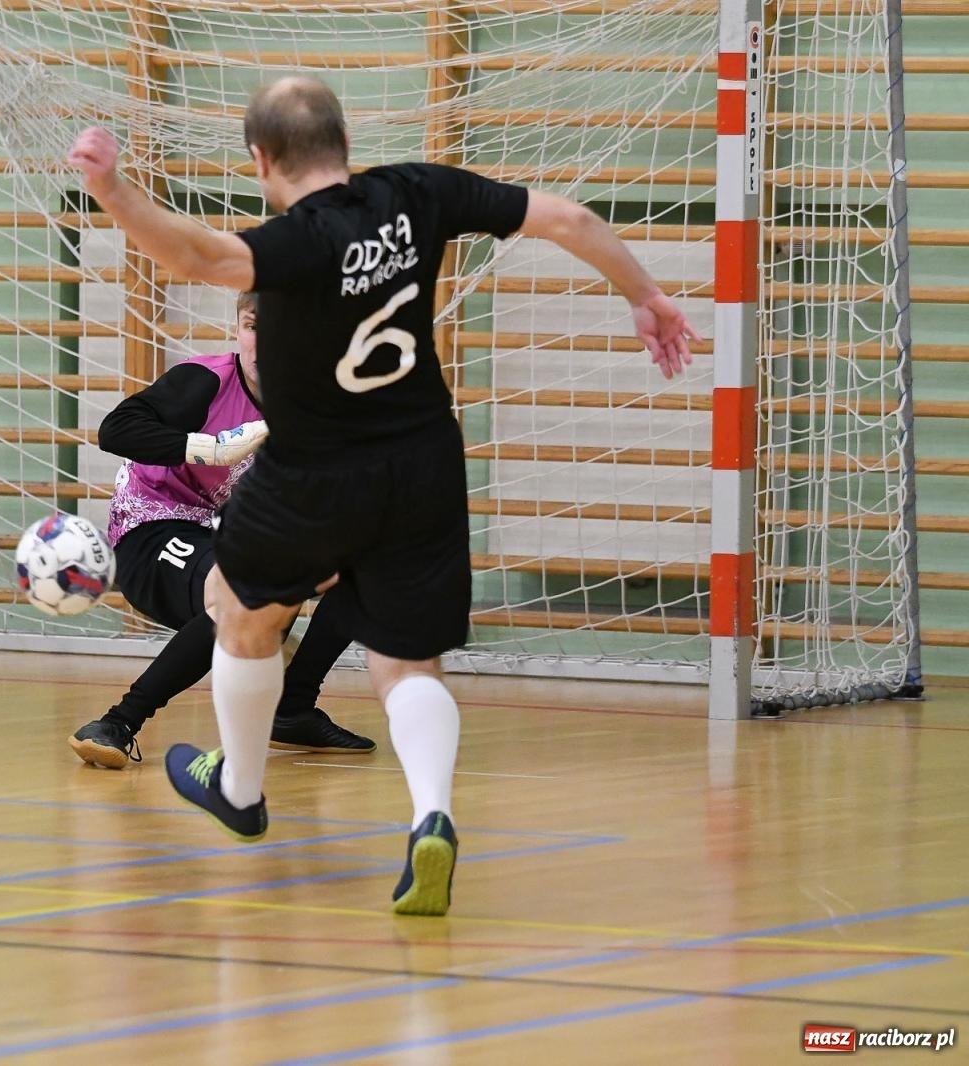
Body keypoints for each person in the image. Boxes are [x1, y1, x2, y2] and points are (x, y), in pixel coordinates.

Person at [67, 76, 697, 915]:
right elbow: (570, 220)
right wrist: (645, 296)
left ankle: (241, 789)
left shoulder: (294, 242)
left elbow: (196, 256)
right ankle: (431, 815)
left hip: (314, 470)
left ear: (260, 159)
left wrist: (112, 189)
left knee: (236, 608)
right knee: (406, 664)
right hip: (424, 461)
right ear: (344, 144)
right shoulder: (417, 193)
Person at [70, 291, 375, 769]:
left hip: (220, 535)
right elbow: (115, 430)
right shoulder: (206, 382)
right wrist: (209, 449)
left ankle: (293, 707)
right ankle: (119, 722)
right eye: (252, 326)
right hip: (151, 529)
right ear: (238, 328)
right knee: (246, 589)